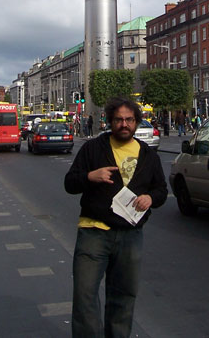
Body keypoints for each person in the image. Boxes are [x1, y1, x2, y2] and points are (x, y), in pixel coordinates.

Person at [65, 96, 167, 337]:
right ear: (110, 121)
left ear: (136, 122)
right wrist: (90, 176)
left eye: (129, 120)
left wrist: (150, 198)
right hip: (94, 231)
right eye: (119, 119)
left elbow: (161, 190)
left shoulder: (148, 155)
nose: (124, 124)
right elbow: (70, 183)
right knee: (84, 295)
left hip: (130, 234)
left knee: (123, 296)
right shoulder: (93, 149)